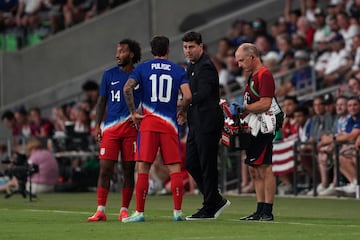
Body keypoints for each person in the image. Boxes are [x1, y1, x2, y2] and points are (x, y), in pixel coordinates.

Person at [122, 35, 192, 223]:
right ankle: (177, 212)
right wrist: (183, 112)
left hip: (149, 124)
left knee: (143, 166)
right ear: (168, 50)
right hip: (169, 125)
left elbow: (127, 89)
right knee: (175, 167)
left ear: (152, 51)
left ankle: (139, 212)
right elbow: (187, 95)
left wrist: (133, 113)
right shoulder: (178, 70)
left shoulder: (143, 68)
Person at [87, 38, 142, 222]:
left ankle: (124, 210)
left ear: (131, 54)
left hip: (131, 129)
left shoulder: (140, 75)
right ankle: (100, 210)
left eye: (122, 51)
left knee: (128, 169)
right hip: (110, 129)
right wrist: (97, 126)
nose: (117, 55)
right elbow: (101, 101)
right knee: (105, 170)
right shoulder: (109, 75)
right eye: (117, 51)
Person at [181, 31, 230, 220]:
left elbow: (203, 94)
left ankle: (210, 205)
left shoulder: (207, 67)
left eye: (191, 47)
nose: (188, 51)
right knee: (191, 163)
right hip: (196, 121)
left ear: (201, 46)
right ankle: (214, 199)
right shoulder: (191, 66)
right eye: (185, 47)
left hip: (208, 122)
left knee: (207, 165)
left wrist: (182, 102)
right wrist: (184, 110)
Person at [234, 43, 276, 221]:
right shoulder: (253, 76)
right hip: (253, 128)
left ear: (252, 57)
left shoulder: (264, 75)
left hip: (263, 128)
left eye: (241, 60)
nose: (239, 64)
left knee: (264, 168)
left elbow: (266, 103)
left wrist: (245, 107)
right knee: (254, 169)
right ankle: (260, 208)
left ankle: (267, 210)